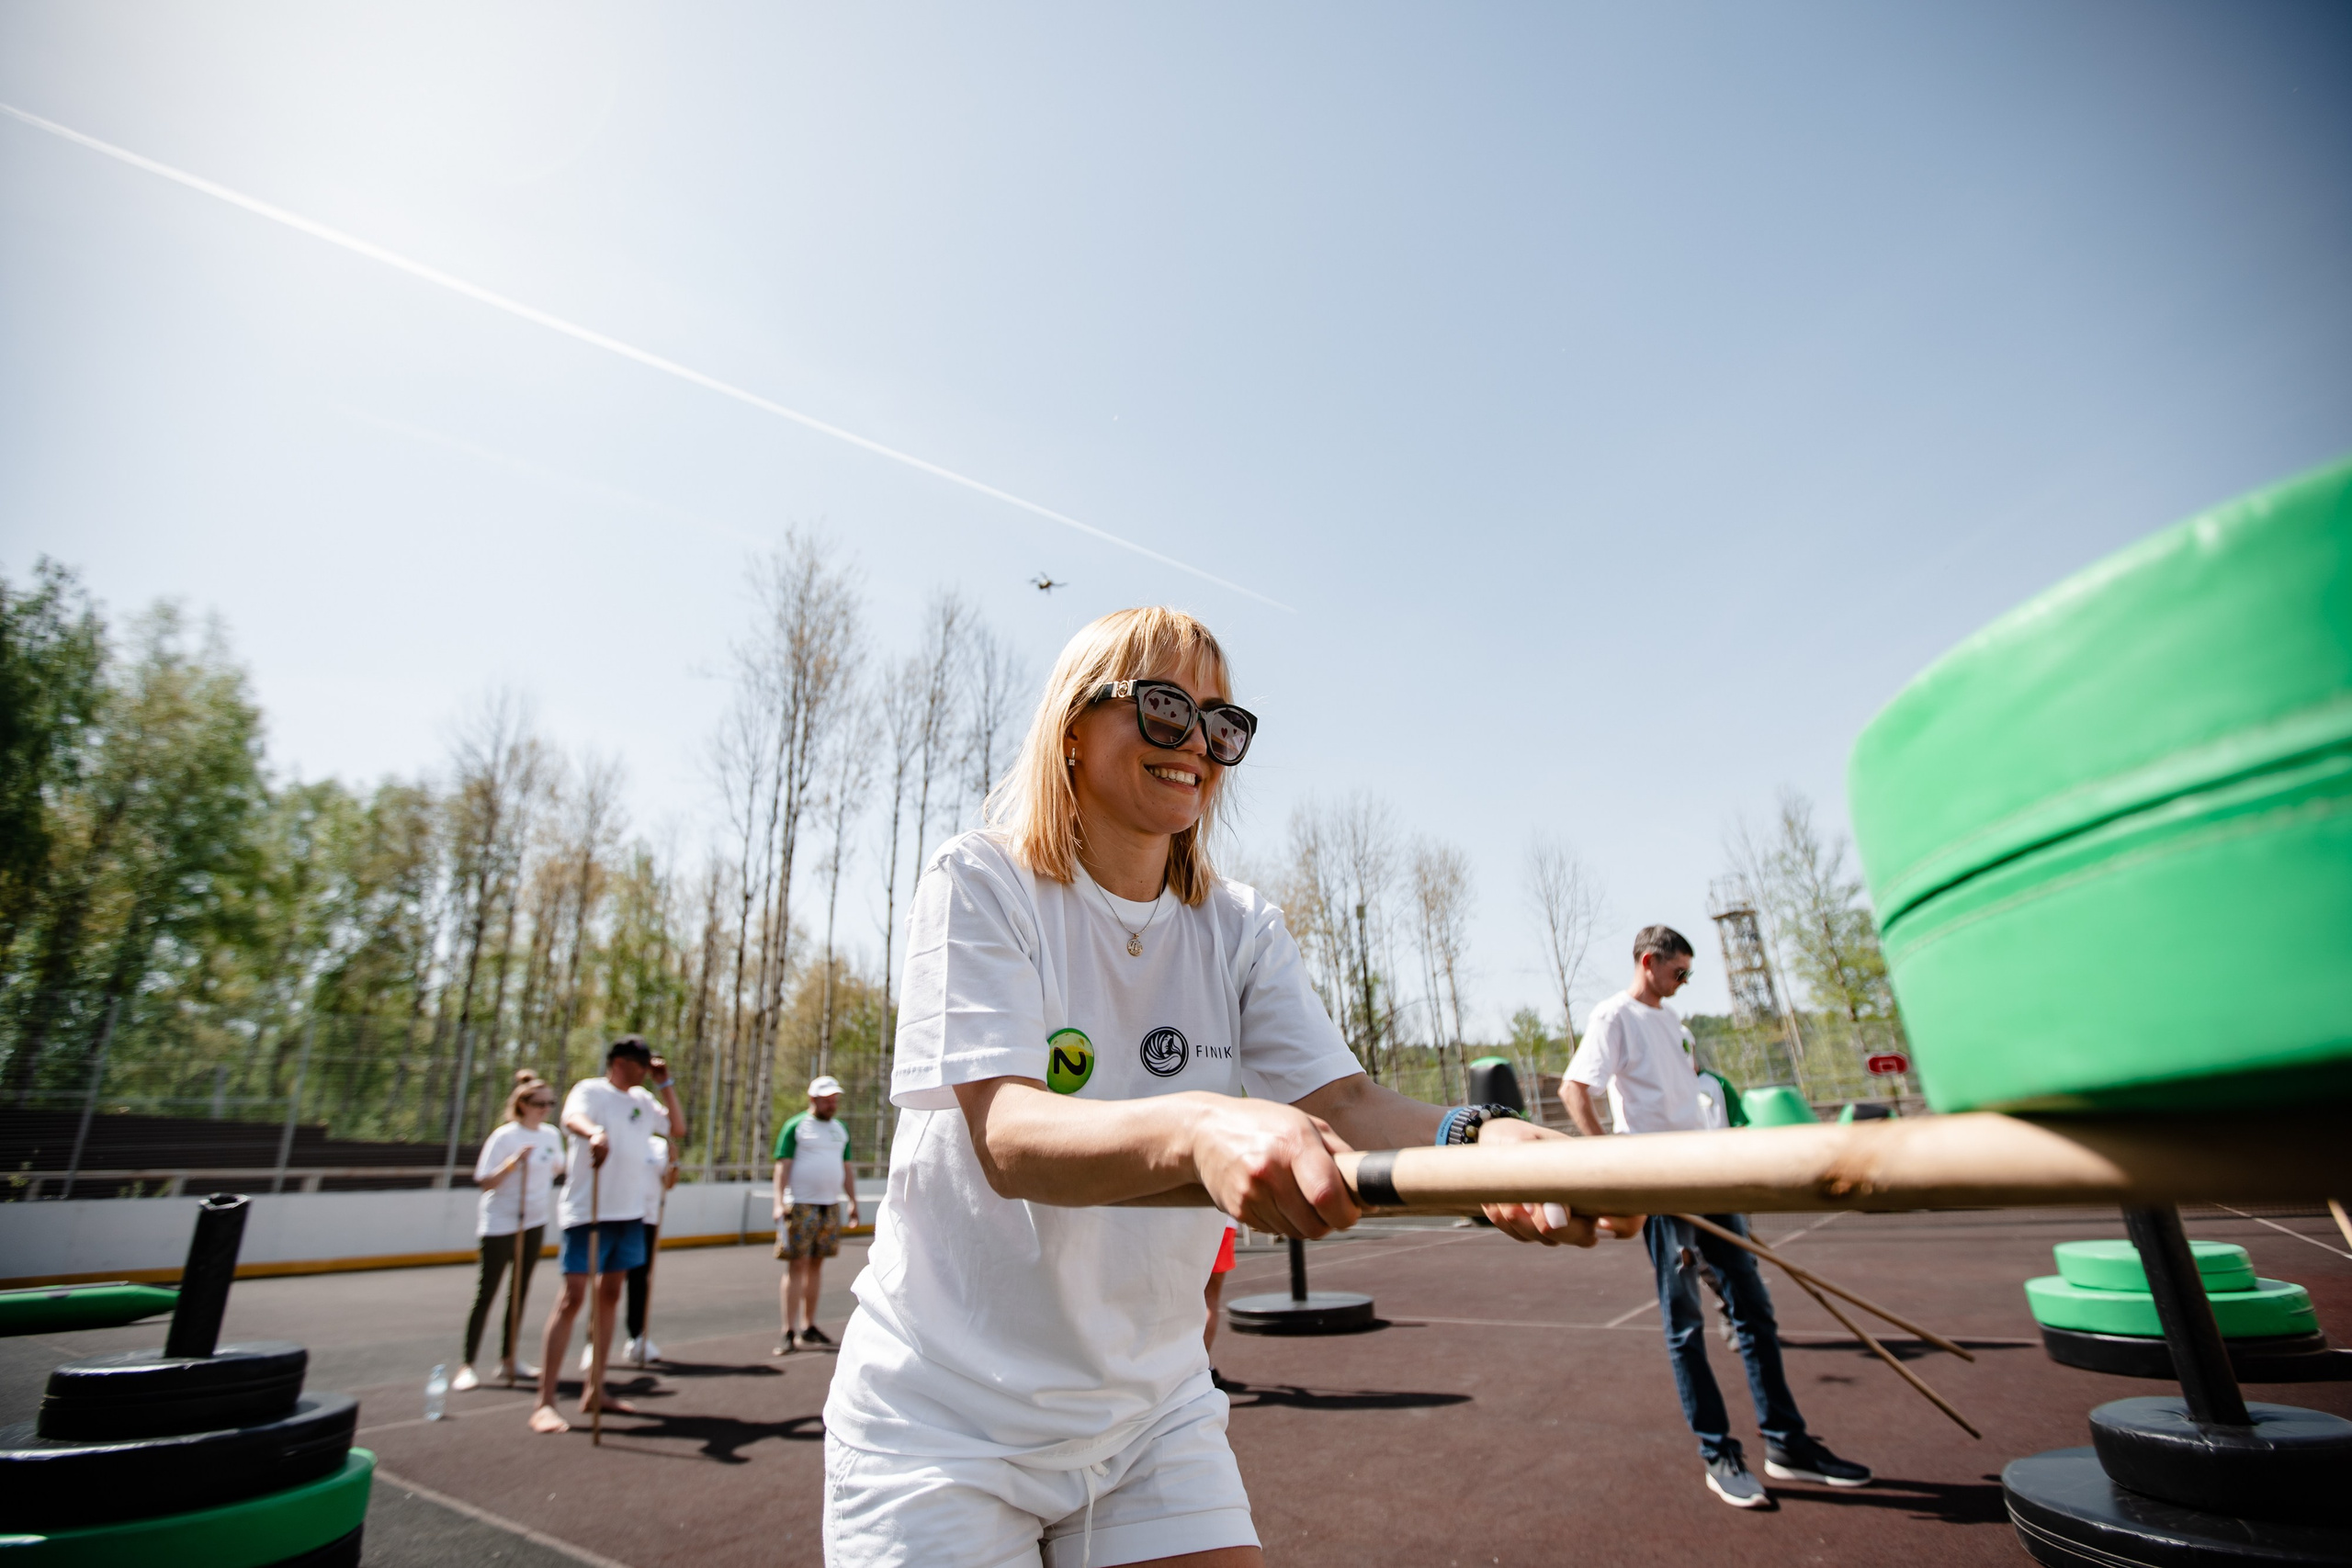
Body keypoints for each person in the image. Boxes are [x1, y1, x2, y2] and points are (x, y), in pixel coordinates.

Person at [824, 606, 1596, 1568]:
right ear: (1072, 727)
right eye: (1162, 709)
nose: (1196, 743)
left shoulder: (1239, 926)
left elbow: (1346, 1105)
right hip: (944, 1423)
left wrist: (1478, 1138)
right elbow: (1010, 1137)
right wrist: (1200, 1126)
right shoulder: (981, 880)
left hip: (1151, 1414)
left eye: (1219, 724)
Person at [1563, 926, 1871, 1508]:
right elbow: (1576, 1088)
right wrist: (1612, 1163)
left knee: (1752, 1308)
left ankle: (1787, 1444)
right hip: (1660, 1181)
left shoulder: (1675, 1024)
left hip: (1711, 1172)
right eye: (1679, 972)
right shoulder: (1614, 1016)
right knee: (1685, 1324)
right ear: (1649, 962)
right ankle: (1717, 1451)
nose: (1684, 982)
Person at [530, 1036, 688, 1435]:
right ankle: (545, 1402)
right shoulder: (591, 1090)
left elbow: (679, 1129)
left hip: (629, 1212)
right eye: (638, 1062)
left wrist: (665, 1084)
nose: (644, 1068)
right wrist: (594, 1134)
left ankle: (595, 1389)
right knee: (573, 1298)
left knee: (611, 1295)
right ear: (618, 1061)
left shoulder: (642, 1099)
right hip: (588, 1211)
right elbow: (571, 1119)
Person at [457, 1071, 561, 1391]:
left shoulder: (552, 1136)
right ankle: (468, 1364)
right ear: (522, 1104)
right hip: (501, 1222)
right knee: (486, 1292)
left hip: (533, 1222)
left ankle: (509, 1359)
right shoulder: (504, 1137)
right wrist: (514, 1163)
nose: (545, 1108)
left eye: (550, 1103)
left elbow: (559, 1167)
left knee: (519, 1292)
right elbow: (485, 1181)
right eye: (539, 1103)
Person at [774, 1074, 860, 1355]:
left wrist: (852, 1200)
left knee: (817, 1264)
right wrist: (778, 1201)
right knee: (797, 1264)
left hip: (829, 1205)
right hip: (800, 1204)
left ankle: (809, 1324)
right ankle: (789, 1330)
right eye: (827, 1100)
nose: (833, 1103)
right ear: (813, 1099)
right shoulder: (796, 1126)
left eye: (835, 1099)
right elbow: (782, 1166)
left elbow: (846, 1167)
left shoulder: (840, 1129)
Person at [602, 1130, 678, 1371]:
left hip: (647, 1218)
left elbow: (669, 1183)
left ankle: (637, 1337)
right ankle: (593, 1341)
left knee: (640, 1279)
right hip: (617, 1216)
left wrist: (674, 1160)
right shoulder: (620, 1137)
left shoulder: (658, 1146)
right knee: (606, 1280)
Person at [1202, 1223, 1243, 1393]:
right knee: (1210, 1297)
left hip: (1188, 1221)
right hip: (1219, 1222)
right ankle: (1200, 1367)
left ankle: (1198, 1366)